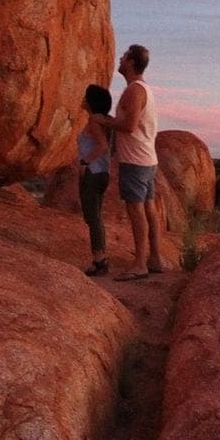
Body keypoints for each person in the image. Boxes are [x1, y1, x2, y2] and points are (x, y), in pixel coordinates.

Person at [103, 43, 167, 280]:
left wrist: (103, 120)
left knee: (136, 209)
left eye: (124, 57)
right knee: (149, 208)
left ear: (131, 62)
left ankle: (140, 263)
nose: (120, 59)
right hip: (147, 158)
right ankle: (155, 259)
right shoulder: (144, 89)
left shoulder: (134, 91)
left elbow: (129, 126)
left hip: (135, 159)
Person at [75, 84, 114, 276]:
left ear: (91, 101)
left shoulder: (94, 121)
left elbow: (103, 146)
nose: (82, 99)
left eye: (85, 96)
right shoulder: (104, 120)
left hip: (94, 173)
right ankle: (101, 257)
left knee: (93, 217)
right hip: (102, 173)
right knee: (95, 216)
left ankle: (99, 260)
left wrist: (84, 161)